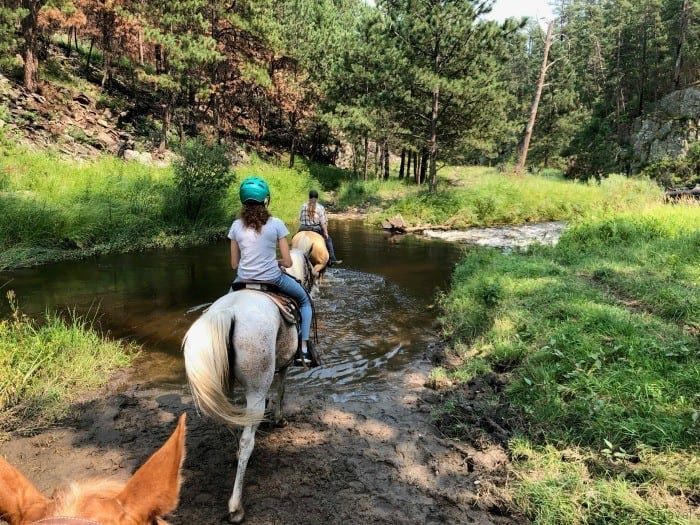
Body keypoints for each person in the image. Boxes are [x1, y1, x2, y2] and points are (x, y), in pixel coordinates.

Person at [228, 176, 316, 367]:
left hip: (242, 280)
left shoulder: (235, 226)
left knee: (221, 308)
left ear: (243, 201)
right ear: (266, 200)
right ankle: (304, 349)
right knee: (305, 300)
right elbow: (288, 260)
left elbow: (234, 264)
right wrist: (275, 261)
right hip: (273, 279)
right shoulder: (276, 224)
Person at [298, 189, 341, 266]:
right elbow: (323, 222)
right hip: (315, 229)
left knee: (294, 239)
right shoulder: (320, 207)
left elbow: (300, 218)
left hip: (303, 228)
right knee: (328, 240)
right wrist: (326, 233)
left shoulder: (303, 205)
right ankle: (332, 259)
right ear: (317, 198)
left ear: (309, 197)